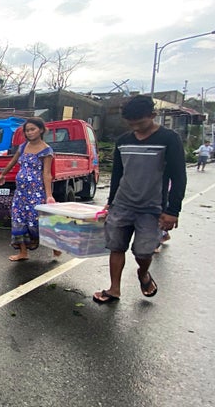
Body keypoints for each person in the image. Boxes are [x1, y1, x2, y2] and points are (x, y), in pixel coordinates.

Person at [93, 95, 186, 304]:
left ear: (153, 116)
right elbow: (118, 173)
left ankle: (143, 274)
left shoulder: (169, 139)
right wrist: (111, 200)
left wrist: (173, 210)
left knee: (143, 252)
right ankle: (114, 289)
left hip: (152, 208)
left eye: (141, 123)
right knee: (116, 247)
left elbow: (179, 176)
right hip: (122, 204)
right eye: (131, 124)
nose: (137, 128)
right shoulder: (123, 141)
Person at [0, 117, 57, 261]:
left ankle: (56, 247)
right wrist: (3, 174)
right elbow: (13, 161)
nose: (29, 133)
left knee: (37, 222)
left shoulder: (46, 150)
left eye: (32, 129)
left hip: (36, 193)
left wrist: (49, 195)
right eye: (27, 130)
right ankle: (23, 252)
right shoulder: (23, 146)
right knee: (18, 220)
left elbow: (47, 174)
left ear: (41, 130)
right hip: (20, 193)